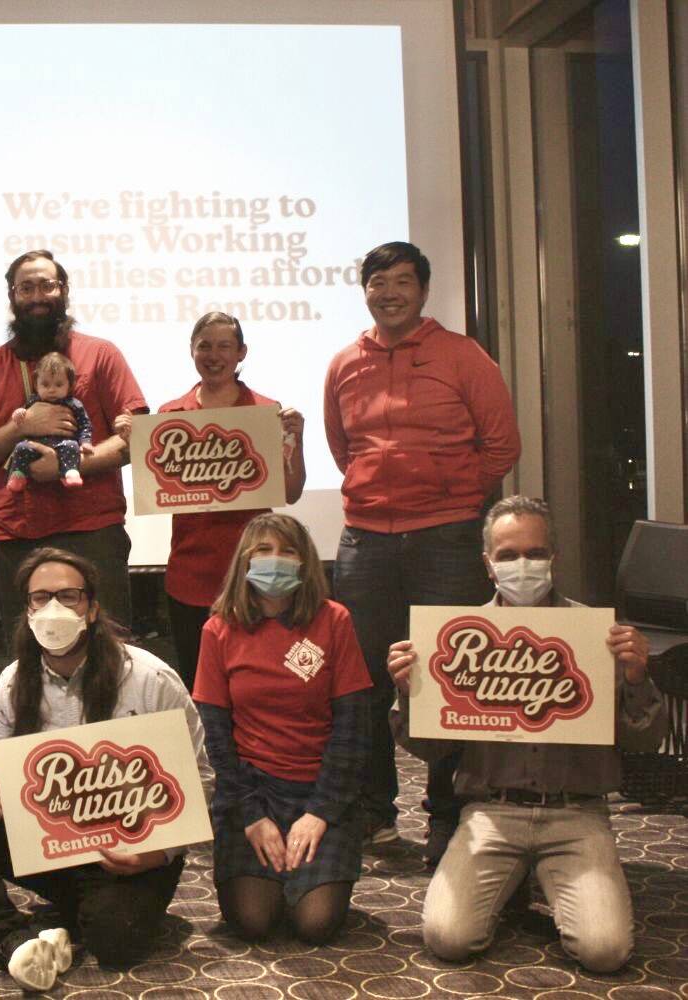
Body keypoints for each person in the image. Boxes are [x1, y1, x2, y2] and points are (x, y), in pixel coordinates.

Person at [388, 495, 665, 973]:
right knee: (447, 938)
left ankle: (537, 885)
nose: (523, 565)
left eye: (535, 554)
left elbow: (643, 742)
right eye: (508, 555)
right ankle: (515, 885)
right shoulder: (457, 639)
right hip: (490, 811)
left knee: (604, 952)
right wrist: (411, 693)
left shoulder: (596, 636)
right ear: (488, 565)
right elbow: (429, 749)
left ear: (553, 558)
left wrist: (638, 678)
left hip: (576, 813)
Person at [0, 549, 203, 993]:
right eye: (40, 598)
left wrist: (157, 855)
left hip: (130, 855)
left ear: (91, 608)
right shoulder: (14, 681)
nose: (54, 608)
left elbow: (200, 781)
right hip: (47, 846)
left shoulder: (150, 679)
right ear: (27, 610)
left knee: (116, 943)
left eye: (68, 596)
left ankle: (79, 916)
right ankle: (8, 938)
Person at [323, 241, 520, 858]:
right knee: (365, 680)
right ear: (366, 292)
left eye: (402, 281)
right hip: (365, 541)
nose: (390, 293)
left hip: (446, 538)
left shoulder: (463, 356)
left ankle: (446, 813)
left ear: (423, 290)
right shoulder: (344, 362)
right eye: (378, 282)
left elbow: (501, 445)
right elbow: (341, 446)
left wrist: (451, 497)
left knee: (447, 677)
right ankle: (375, 811)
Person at [193, 513, 372, 944]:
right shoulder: (218, 629)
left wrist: (321, 812)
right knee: (254, 921)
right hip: (251, 792)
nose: (277, 560)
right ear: (245, 563)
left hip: (321, 789)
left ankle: (312, 871)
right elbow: (217, 741)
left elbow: (353, 728)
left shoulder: (334, 620)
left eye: (288, 551)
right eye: (264, 551)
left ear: (305, 562)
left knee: (315, 923)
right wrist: (252, 816)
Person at [0, 250, 147, 641]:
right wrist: (19, 429)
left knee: (108, 653)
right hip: (15, 536)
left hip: (91, 530)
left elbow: (137, 439)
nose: (38, 295)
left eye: (47, 285)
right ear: (12, 296)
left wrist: (66, 464)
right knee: (26, 658)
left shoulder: (101, 354)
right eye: (26, 287)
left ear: (64, 290)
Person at [127, 312, 306, 690]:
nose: (214, 354)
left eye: (225, 346)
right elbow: (155, 487)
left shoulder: (265, 411)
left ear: (241, 353)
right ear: (191, 351)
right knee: (201, 684)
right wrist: (134, 440)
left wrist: (297, 439)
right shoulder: (170, 416)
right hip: (190, 575)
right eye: (204, 345)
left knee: (257, 682)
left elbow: (290, 493)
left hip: (255, 574)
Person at [5, 352, 93, 491]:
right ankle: (18, 475)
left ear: (69, 385)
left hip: (62, 444)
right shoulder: (33, 401)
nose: (52, 390)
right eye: (45, 385)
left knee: (72, 447)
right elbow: (23, 415)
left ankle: (70, 473)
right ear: (36, 384)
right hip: (35, 444)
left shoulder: (74, 404)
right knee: (21, 447)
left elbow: (85, 425)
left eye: (58, 385)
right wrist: (19, 413)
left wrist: (85, 442)